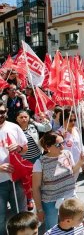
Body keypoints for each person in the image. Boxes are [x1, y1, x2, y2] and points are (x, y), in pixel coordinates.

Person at [32, 132, 84, 231]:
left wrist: (80, 162)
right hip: (50, 202)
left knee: (73, 225)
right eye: (58, 145)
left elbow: (72, 171)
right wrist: (39, 209)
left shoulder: (67, 154)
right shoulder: (40, 163)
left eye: (63, 143)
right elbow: (35, 188)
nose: (62, 147)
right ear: (47, 146)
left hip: (69, 197)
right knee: (52, 229)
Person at [0, 100, 28, 235]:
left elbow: (25, 149)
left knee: (20, 215)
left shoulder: (13, 127)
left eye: (2, 112)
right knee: (0, 219)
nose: (0, 115)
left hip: (16, 179)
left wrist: (19, 148)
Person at [16, 110, 52, 211]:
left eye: (25, 117)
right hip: (24, 160)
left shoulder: (33, 125)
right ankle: (29, 199)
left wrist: (43, 118)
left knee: (40, 179)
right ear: (16, 119)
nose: (24, 119)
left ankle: (43, 196)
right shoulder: (14, 129)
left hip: (37, 157)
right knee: (26, 181)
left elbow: (48, 128)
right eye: (21, 117)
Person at [58, 109, 84, 178]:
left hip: (77, 164)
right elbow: (55, 150)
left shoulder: (76, 130)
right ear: (63, 120)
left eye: (74, 120)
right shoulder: (58, 133)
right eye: (70, 120)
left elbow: (80, 147)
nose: (73, 122)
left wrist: (82, 161)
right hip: (65, 166)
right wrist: (61, 138)